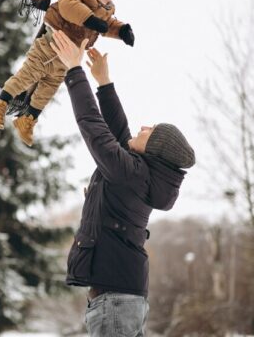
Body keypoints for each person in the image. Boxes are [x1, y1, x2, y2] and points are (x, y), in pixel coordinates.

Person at [49, 30, 195, 336]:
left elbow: (95, 128)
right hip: (119, 298)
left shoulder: (131, 174)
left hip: (115, 301)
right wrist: (104, 82)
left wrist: (75, 71)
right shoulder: (138, 173)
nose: (143, 126)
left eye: (150, 130)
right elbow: (118, 132)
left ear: (154, 149)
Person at [0, 0, 134, 147]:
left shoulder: (103, 10)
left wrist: (122, 31)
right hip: (49, 46)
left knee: (48, 89)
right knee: (28, 75)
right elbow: (69, 8)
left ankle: (27, 120)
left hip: (66, 58)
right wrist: (90, 20)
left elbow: (107, 26)